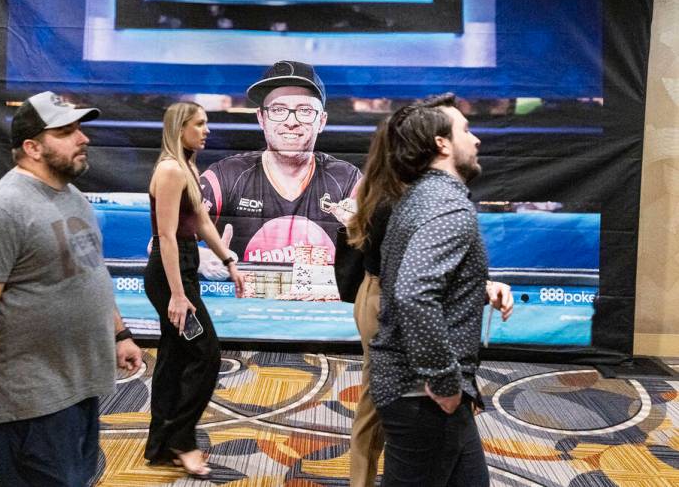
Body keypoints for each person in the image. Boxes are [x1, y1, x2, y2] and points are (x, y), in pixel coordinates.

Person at [0, 90, 143, 487]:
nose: (82, 138)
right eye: (66, 131)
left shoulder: (72, 197)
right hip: (30, 401)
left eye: (79, 129)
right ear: (32, 147)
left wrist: (120, 334)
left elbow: (91, 274)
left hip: (79, 387)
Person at [346, 105, 513, 487]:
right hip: (422, 394)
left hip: (418, 389)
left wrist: (479, 290)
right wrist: (444, 383)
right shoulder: (446, 206)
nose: (476, 139)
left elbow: (416, 280)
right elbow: (412, 293)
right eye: (466, 130)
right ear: (442, 144)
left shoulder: (420, 197)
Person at [144, 102, 245, 477]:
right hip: (171, 274)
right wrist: (178, 294)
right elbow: (166, 238)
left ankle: (160, 445)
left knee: (174, 358)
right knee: (206, 354)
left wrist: (230, 260)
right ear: (180, 127)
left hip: (182, 268)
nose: (206, 131)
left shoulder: (186, 165)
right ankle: (182, 441)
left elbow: (201, 221)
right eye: (199, 124)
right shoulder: (170, 170)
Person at [200, 60, 361, 270]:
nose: (291, 121)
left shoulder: (348, 180)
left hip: (323, 302)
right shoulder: (225, 176)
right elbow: (160, 244)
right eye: (278, 110)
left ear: (321, 121)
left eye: (304, 110)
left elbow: (385, 253)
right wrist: (201, 259)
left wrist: (365, 234)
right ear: (261, 118)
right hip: (244, 302)